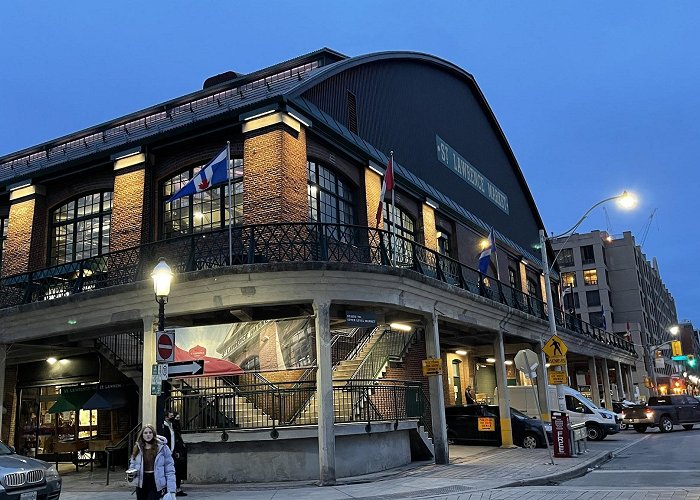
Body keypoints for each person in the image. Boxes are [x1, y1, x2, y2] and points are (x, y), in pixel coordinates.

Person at [130, 424, 176, 500]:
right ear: (142, 435)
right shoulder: (138, 448)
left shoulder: (162, 448)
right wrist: (131, 474)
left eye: (150, 432)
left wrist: (171, 489)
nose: (148, 435)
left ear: (154, 434)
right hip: (142, 481)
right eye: (145, 433)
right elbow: (133, 464)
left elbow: (170, 469)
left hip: (156, 481)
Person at [163, 412, 188, 496]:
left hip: (172, 451)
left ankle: (176, 488)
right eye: (171, 416)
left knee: (176, 471)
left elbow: (175, 438)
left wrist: (175, 451)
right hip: (167, 452)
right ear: (166, 417)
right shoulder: (164, 427)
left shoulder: (172, 426)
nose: (173, 418)